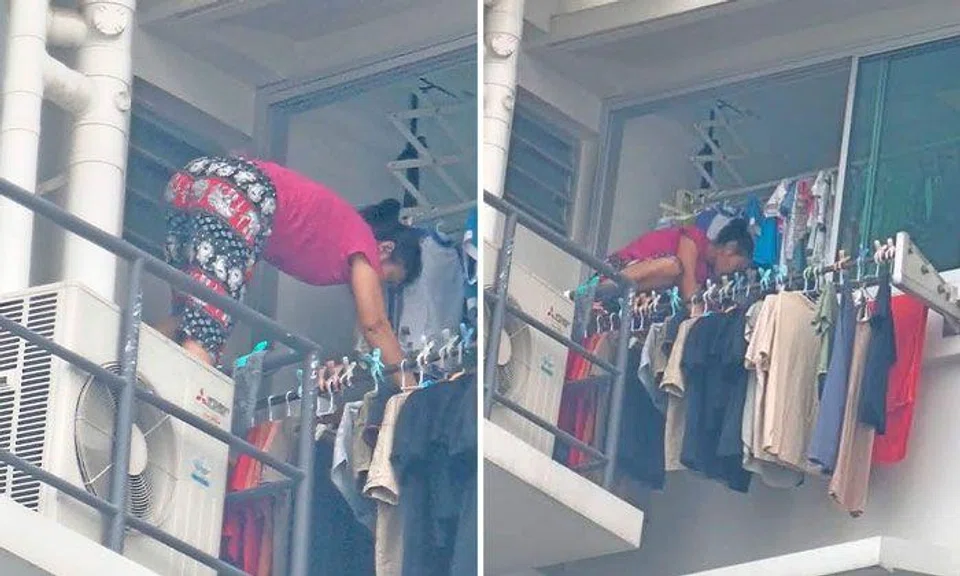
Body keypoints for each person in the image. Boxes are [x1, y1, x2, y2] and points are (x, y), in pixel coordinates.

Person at [158, 155, 421, 387]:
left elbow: (363, 333)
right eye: (387, 278)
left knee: (187, 314)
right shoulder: (364, 244)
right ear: (385, 249)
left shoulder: (344, 231)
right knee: (208, 327)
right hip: (238, 193)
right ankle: (185, 415)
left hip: (192, 179)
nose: (378, 286)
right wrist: (410, 389)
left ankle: (133, 374)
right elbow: (374, 324)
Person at [605, 218, 754, 304]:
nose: (735, 273)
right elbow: (688, 288)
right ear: (730, 248)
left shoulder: (706, 273)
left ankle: (613, 293)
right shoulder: (695, 238)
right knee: (674, 267)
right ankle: (605, 288)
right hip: (616, 270)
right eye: (738, 266)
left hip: (628, 291)